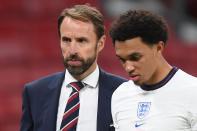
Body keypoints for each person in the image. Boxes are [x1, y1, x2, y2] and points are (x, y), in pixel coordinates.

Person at [20, 4, 128, 131]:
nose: (72, 50)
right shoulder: (35, 92)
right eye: (66, 40)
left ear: (100, 43)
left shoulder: (124, 93)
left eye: (81, 41)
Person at [109, 9, 197, 131]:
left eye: (135, 57)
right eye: (122, 59)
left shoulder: (193, 92)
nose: (128, 67)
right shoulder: (120, 95)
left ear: (158, 47)